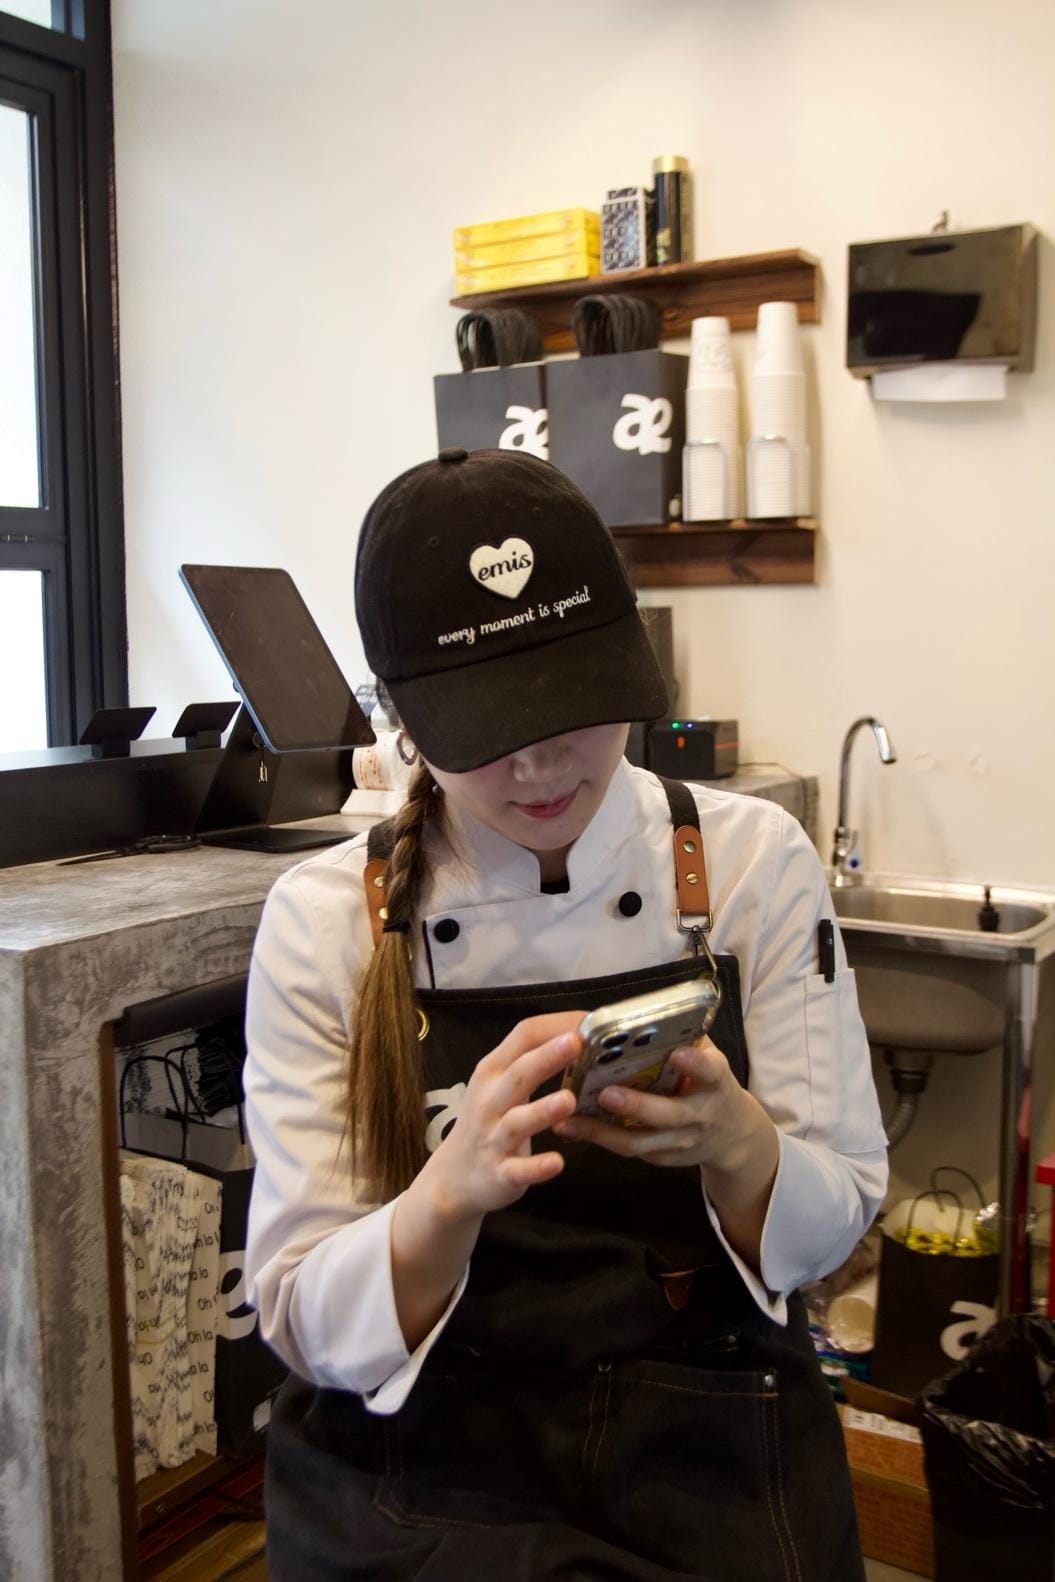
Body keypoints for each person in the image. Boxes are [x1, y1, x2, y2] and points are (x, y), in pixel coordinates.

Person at [244, 447, 888, 1581]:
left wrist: (740, 1147)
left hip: (705, 1422)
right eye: (486, 723)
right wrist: (445, 1195)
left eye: (572, 704)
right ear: (399, 716)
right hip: (420, 1453)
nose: (539, 764)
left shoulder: (744, 865)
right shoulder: (324, 921)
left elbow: (832, 1223)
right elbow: (298, 1313)